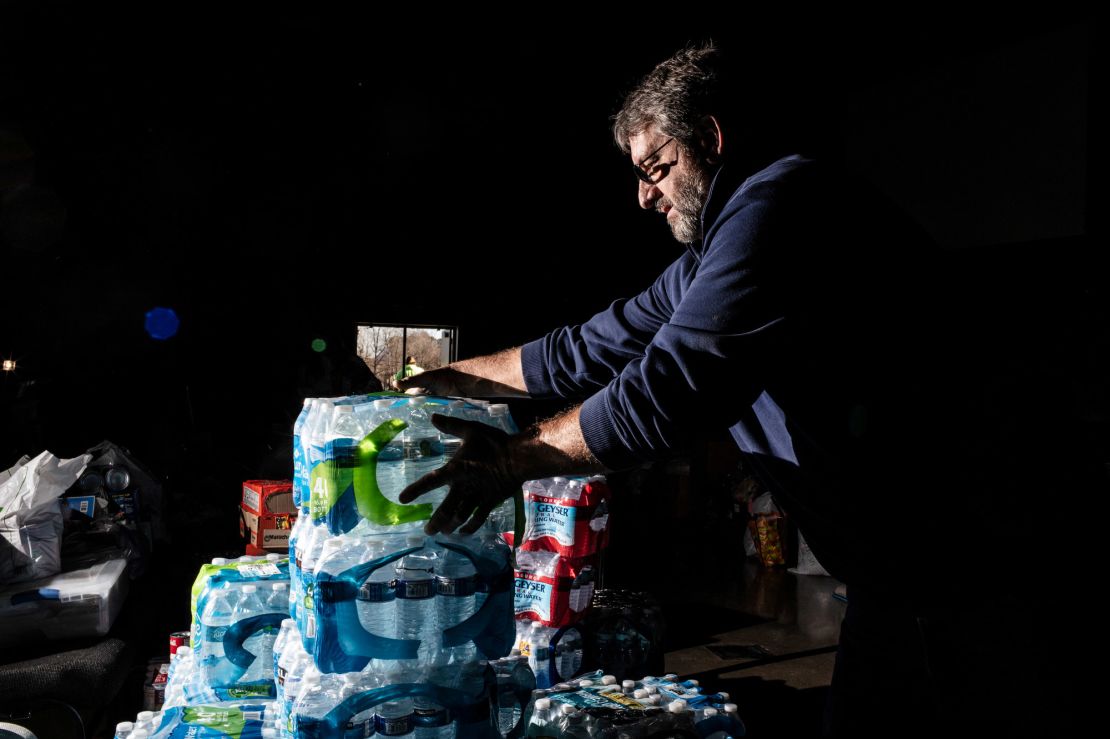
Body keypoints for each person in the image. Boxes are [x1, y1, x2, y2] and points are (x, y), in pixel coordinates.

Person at [397, 43, 1098, 737]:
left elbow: (668, 386)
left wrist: (509, 460)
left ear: (710, 138)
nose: (644, 196)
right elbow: (593, 345)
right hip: (897, 584)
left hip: (979, 576)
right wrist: (443, 379)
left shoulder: (780, 205)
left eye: (656, 168)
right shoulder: (715, 248)